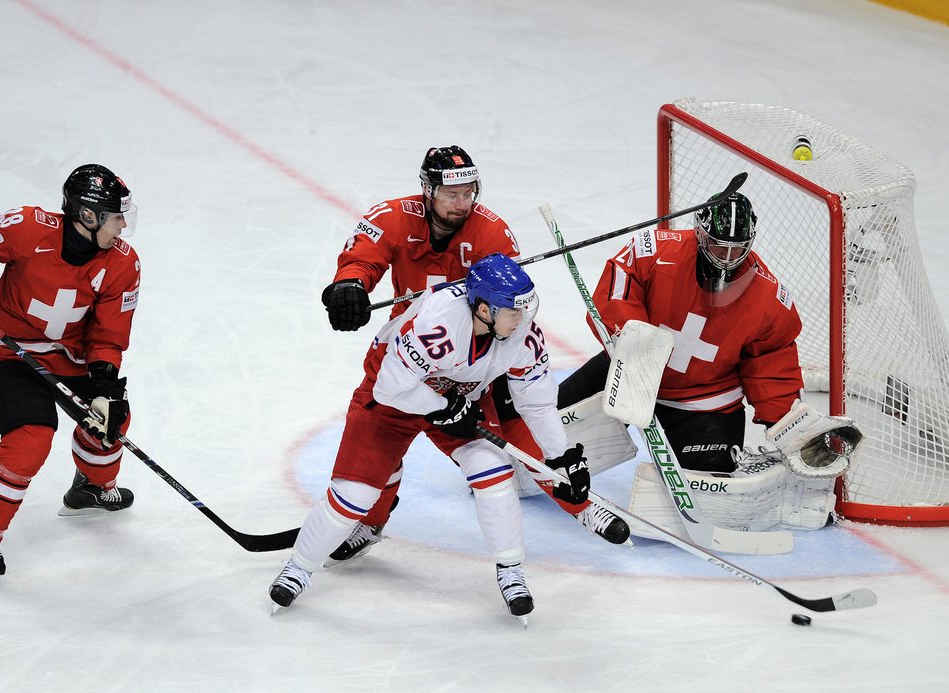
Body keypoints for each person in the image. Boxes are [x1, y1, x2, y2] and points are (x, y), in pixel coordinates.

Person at [271, 254, 592, 623]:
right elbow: (390, 388)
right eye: (513, 312)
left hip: (461, 399)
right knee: (354, 495)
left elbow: (536, 402)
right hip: (392, 399)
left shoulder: (520, 333)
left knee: (494, 474)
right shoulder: (439, 324)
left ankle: (512, 571)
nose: (522, 320)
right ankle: (298, 567)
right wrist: (442, 404)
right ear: (484, 309)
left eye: (524, 310)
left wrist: (559, 456)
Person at [319, 145, 521, 563]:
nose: (461, 203)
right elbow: (363, 257)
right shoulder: (392, 216)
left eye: (468, 193)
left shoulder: (493, 233)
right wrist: (350, 285)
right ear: (427, 190)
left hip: (472, 359)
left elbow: (510, 306)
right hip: (410, 352)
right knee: (380, 442)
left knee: (502, 450)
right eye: (451, 195)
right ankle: (372, 518)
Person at [0, 164, 141, 588]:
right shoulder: (28, 228)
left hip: (70, 360)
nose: (123, 224)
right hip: (8, 356)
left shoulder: (123, 264)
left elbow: (109, 335)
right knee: (30, 441)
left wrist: (105, 385)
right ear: (87, 216)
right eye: (115, 215)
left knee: (112, 423)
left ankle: (90, 488)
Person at [557, 191, 804, 471]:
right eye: (718, 246)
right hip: (628, 374)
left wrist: (787, 427)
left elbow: (773, 366)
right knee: (541, 424)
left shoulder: (769, 298)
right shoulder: (651, 251)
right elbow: (617, 291)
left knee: (709, 479)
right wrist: (636, 350)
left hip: (705, 402)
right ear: (700, 232)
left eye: (737, 249)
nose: (727, 257)